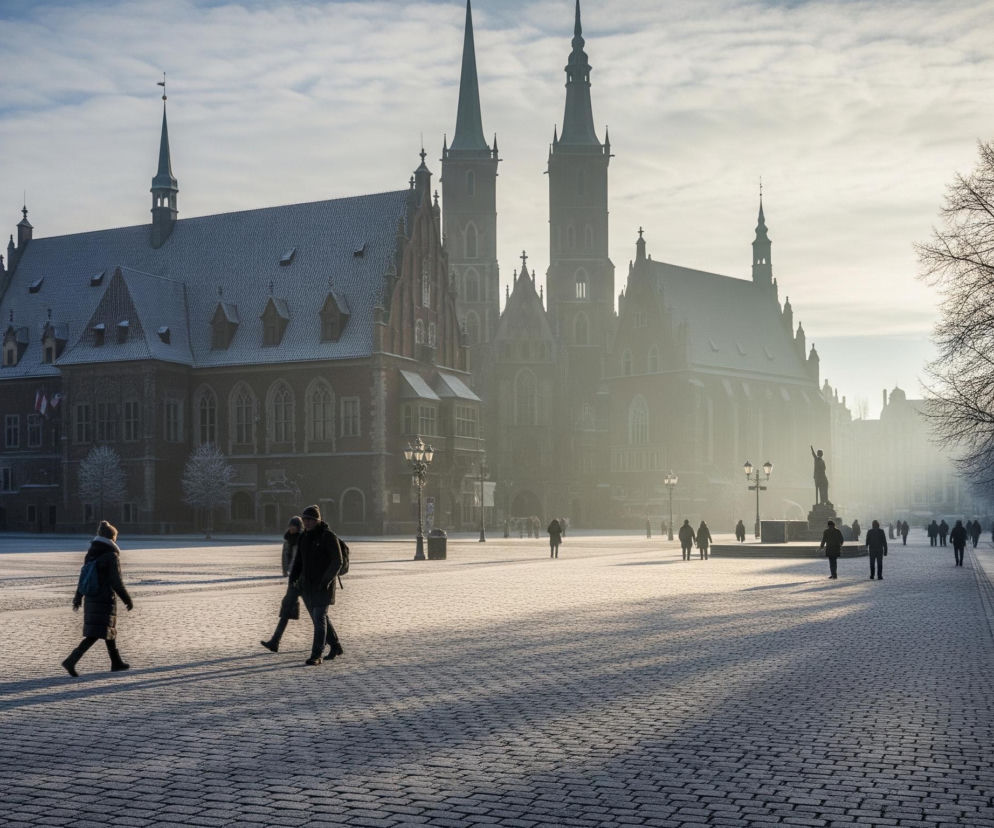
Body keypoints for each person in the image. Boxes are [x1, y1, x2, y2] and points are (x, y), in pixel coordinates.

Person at [62, 521, 133, 677]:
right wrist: (127, 599)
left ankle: (116, 662)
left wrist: (78, 597)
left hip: (91, 597)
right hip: (104, 598)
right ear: (111, 538)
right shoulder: (111, 555)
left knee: (107, 629)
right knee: (96, 633)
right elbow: (116, 581)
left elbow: (83, 577)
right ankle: (71, 661)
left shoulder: (92, 553)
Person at [261, 516, 340, 656]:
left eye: (294, 526)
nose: (291, 528)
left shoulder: (305, 537)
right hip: (296, 580)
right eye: (290, 525)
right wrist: (287, 573)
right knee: (286, 608)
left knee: (318, 616)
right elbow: (287, 557)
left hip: (306, 581)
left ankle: (334, 644)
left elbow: (307, 560)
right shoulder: (289, 539)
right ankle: (275, 641)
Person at [289, 505, 345, 666]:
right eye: (305, 519)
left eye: (310, 519)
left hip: (324, 585)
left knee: (319, 618)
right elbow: (298, 562)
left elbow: (337, 561)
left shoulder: (328, 536)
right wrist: (293, 581)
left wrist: (326, 580)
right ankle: (335, 645)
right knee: (320, 617)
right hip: (307, 586)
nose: (306, 522)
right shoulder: (303, 537)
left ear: (317, 520)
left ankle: (316, 654)